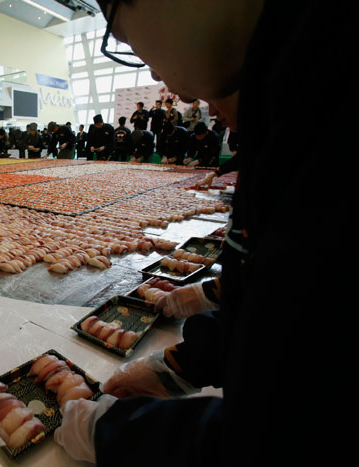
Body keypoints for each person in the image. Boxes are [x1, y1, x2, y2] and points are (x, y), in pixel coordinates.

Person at [55, 2, 352, 465]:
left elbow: (298, 424)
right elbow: (284, 297)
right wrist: (181, 366)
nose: (182, 93)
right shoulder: (291, 99)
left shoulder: (331, 101)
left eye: (128, 41)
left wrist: (122, 438)